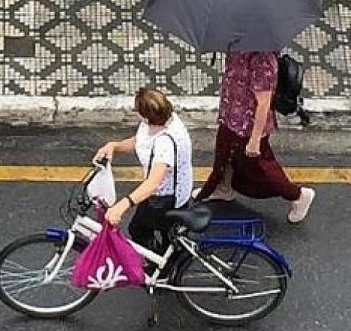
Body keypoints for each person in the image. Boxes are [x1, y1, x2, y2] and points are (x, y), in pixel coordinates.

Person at [194, 51, 315, 223]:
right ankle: (223, 188)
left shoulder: (261, 59)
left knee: (261, 169)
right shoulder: (237, 47)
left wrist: (255, 140)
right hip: (231, 116)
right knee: (224, 156)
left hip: (248, 125)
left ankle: (298, 195)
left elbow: (263, 102)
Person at [94, 87, 193, 253]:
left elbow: (153, 183)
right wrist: (115, 146)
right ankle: (165, 260)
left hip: (165, 198)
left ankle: (162, 267)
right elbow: (140, 141)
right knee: (165, 235)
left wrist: (123, 205)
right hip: (162, 192)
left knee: (138, 229)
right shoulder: (159, 121)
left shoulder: (165, 142)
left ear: (146, 117)